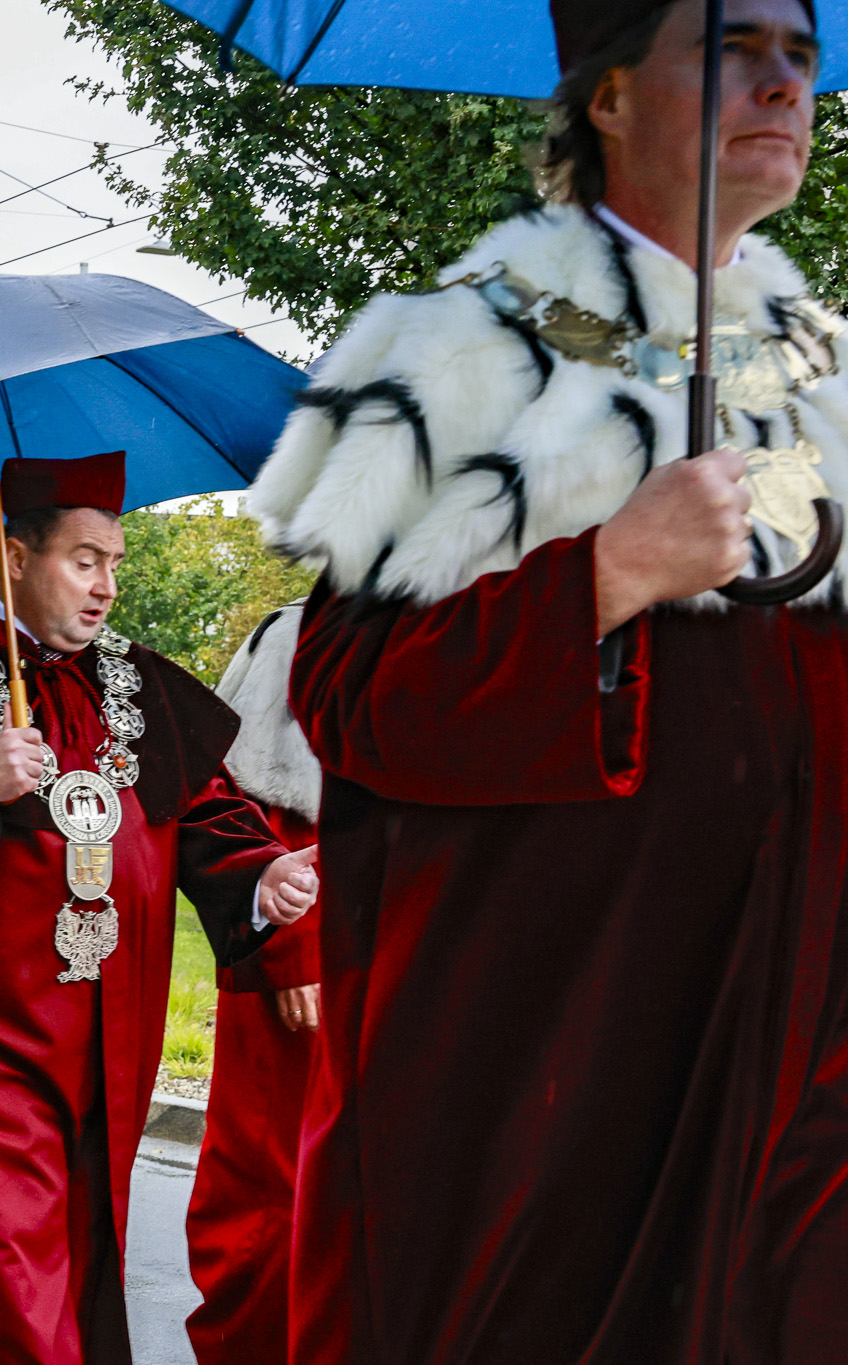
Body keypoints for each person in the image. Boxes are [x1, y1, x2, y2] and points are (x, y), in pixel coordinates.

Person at [247, 2, 848, 1358]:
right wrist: (603, 576)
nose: (782, 84)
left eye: (801, 55)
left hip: (789, 1065)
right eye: (733, 45)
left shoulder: (827, 379)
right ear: (612, 95)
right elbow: (349, 690)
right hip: (549, 1081)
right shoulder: (456, 356)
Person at [0, 452, 318, 1364]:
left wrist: (259, 874)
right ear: (13, 556)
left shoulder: (142, 681)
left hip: (103, 1041)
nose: (107, 586)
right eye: (85, 560)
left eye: (115, 562)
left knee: (76, 1260)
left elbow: (201, 808)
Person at [184, 603, 321, 1365]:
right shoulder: (295, 633)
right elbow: (240, 802)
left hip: (406, 949)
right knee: (270, 1180)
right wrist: (290, 952)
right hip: (304, 941)